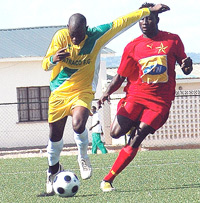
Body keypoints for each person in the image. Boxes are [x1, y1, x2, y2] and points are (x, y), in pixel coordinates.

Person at [42, 4, 170, 194]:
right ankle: (52, 171)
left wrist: (148, 10)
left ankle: (83, 156)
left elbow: (121, 23)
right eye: (72, 35)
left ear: (86, 29)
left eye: (78, 35)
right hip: (59, 93)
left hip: (82, 91)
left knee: (78, 124)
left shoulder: (97, 36)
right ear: (67, 30)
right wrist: (54, 59)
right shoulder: (61, 37)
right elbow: (45, 65)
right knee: (55, 137)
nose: (75, 40)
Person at [98, 2, 193, 192]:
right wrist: (106, 93)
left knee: (136, 138)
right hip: (135, 96)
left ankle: (108, 179)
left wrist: (187, 66)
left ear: (157, 19)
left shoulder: (173, 40)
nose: (144, 22)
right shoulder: (133, 46)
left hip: (160, 103)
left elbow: (185, 67)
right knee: (116, 133)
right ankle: (133, 122)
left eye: (149, 18)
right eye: (141, 18)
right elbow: (120, 76)